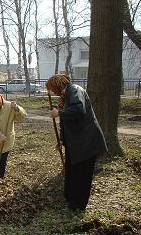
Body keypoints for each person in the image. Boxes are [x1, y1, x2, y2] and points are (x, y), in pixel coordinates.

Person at [46, 74, 107, 211]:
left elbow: (79, 109)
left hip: (86, 142)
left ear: (58, 86)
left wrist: (59, 113)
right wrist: (62, 140)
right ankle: (71, 201)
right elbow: (67, 122)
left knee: (82, 175)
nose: (54, 93)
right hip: (76, 143)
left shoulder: (75, 90)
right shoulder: (66, 96)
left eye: (54, 89)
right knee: (73, 173)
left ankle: (78, 205)